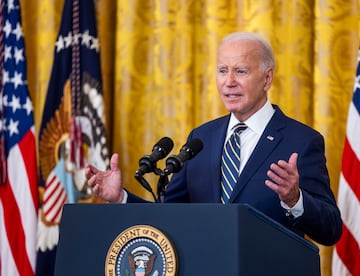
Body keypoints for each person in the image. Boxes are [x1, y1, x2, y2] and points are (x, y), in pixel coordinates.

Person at [86, 31, 342, 246]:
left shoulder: (301, 141)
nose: (229, 82)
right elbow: (168, 217)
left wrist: (294, 199)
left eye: (240, 71)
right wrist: (120, 197)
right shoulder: (201, 138)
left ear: (267, 78)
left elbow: (330, 229)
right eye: (222, 71)